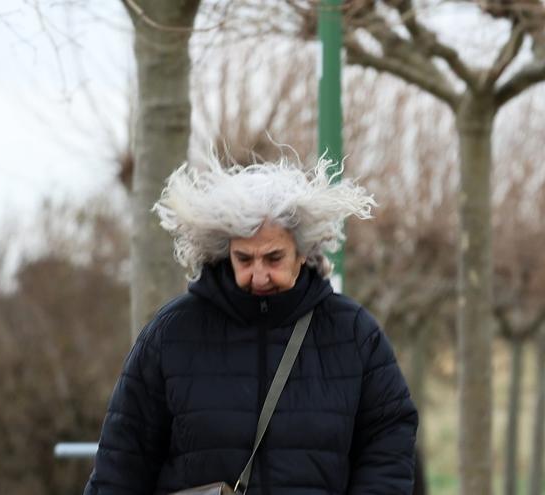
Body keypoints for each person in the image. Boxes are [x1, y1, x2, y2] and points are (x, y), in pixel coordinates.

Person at [83, 156, 418, 494]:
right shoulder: (170, 334)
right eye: (244, 259)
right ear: (224, 252)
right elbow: (122, 462)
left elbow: (388, 445)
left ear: (303, 252)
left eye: (274, 258)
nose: (258, 275)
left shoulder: (355, 334)